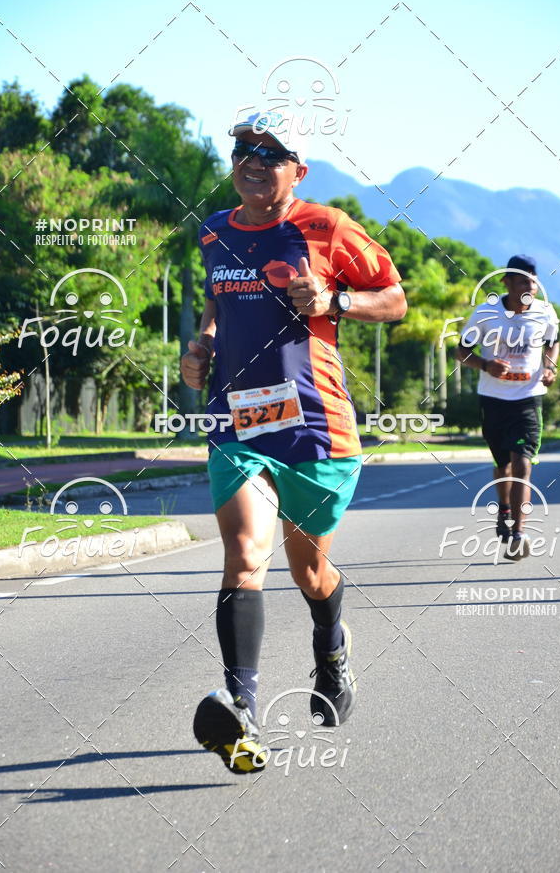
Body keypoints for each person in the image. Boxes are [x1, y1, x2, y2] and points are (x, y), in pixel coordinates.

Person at [180, 110, 407, 774]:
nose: (254, 161)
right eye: (244, 150)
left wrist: (334, 302)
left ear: (298, 171)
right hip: (238, 423)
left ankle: (331, 645)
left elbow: (395, 299)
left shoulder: (327, 227)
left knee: (310, 572)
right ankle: (243, 711)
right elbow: (217, 303)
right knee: (245, 554)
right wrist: (203, 347)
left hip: (316, 426)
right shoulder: (214, 231)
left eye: (271, 154)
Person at [456, 255, 559, 560]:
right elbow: (461, 351)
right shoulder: (486, 313)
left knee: (523, 464)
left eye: (534, 281)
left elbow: (553, 341)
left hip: (528, 398)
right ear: (507, 283)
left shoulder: (545, 312)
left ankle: (518, 533)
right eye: (524, 281)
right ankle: (503, 509)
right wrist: (486, 365)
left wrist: (550, 366)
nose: (531, 287)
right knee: (504, 465)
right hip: (493, 399)